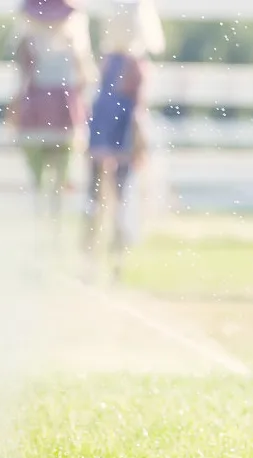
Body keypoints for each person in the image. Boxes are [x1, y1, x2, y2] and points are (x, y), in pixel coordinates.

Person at [82, 0, 165, 282]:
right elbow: (138, 108)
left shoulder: (111, 63)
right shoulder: (134, 65)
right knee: (118, 198)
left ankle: (96, 260)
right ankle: (112, 261)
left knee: (99, 197)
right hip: (122, 134)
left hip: (108, 132)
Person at [8, 0, 96, 225]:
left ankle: (45, 221)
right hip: (61, 112)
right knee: (58, 174)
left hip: (40, 113)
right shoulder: (71, 42)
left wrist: (14, 111)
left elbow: (21, 81)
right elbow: (85, 78)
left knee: (45, 175)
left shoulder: (30, 43)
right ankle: (52, 221)